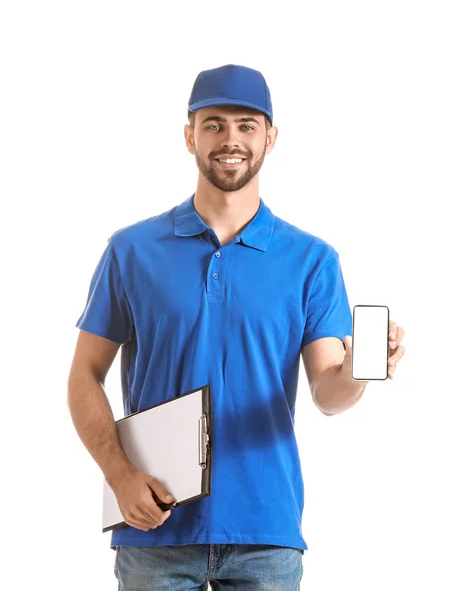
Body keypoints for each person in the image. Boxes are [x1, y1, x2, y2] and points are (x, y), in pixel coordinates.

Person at [67, 64, 405, 590]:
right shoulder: (131, 251)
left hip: (265, 533)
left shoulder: (311, 260)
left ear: (270, 137)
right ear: (189, 136)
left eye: (247, 126)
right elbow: (84, 375)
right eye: (214, 124)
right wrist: (118, 474)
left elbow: (329, 394)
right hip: (154, 527)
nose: (231, 139)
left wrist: (364, 371)